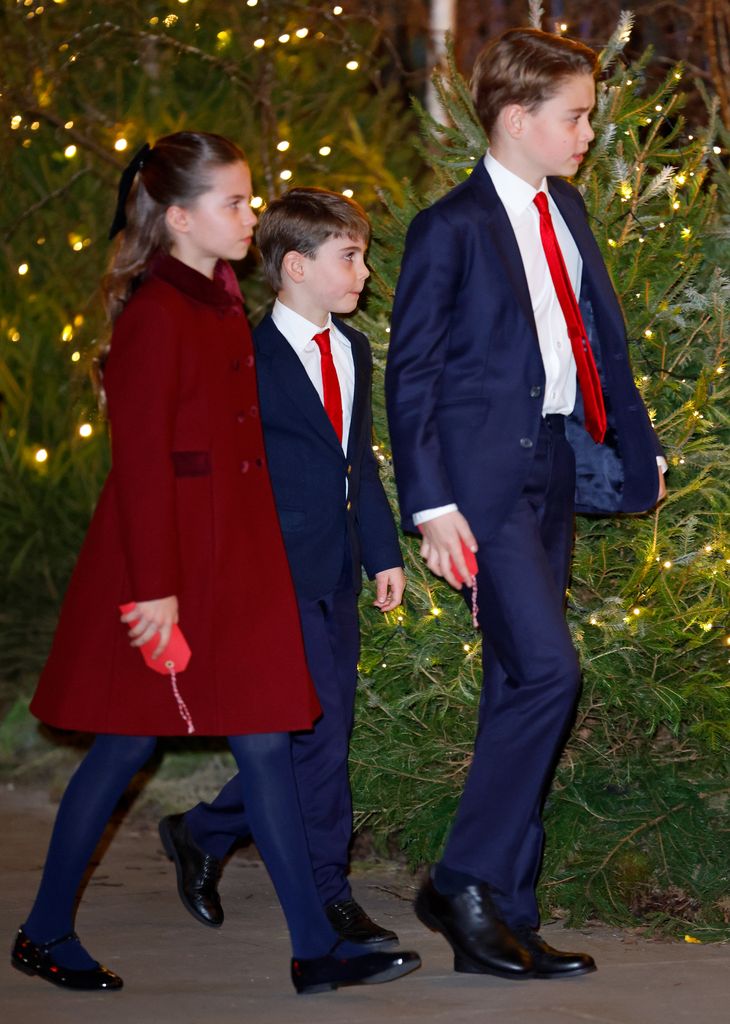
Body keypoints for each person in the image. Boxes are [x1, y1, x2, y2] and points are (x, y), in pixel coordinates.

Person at [11, 132, 420, 995]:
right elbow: (143, 464)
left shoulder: (218, 294)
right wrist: (157, 592)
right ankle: (45, 931)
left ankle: (313, 948)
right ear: (178, 216)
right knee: (121, 755)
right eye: (235, 203)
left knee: (268, 746)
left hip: (228, 565)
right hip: (161, 575)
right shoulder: (158, 311)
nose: (251, 214)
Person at [385, 28, 666, 981]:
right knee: (551, 672)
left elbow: (600, 342)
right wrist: (430, 508)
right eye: (575, 116)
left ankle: (503, 913)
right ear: (518, 119)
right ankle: (459, 879)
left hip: (549, 469)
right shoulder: (451, 226)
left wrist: (636, 448)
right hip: (479, 493)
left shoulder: (569, 208)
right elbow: (410, 376)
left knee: (517, 681)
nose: (589, 131)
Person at [159, 187, 406, 949]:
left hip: (334, 569)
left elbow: (355, 459)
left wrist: (382, 551)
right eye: (350, 256)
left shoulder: (354, 349)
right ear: (296, 266)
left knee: (318, 734)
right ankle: (329, 894)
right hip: (269, 574)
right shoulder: (248, 356)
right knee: (316, 737)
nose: (364, 270)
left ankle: (202, 829)